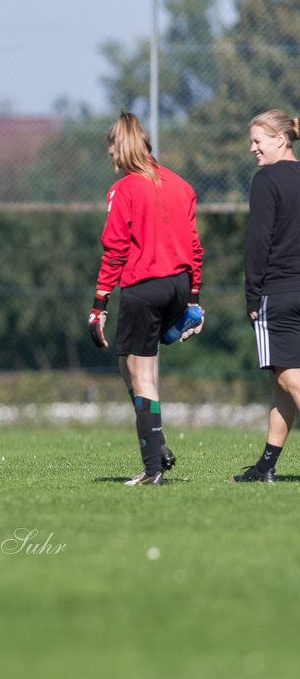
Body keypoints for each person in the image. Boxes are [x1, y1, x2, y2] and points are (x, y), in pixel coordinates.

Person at [87, 112, 202, 487]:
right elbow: (195, 247)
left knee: (143, 377)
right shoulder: (181, 185)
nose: (112, 160)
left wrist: (98, 307)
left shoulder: (124, 189)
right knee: (129, 363)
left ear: (121, 149)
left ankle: (153, 469)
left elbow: (115, 250)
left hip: (144, 288)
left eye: (111, 152)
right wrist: (194, 299)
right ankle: (158, 442)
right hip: (178, 286)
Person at [235, 110, 300, 483]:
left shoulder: (266, 180)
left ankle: (265, 467)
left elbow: (259, 241)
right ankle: (265, 466)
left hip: (279, 293)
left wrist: (251, 295)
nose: (252, 148)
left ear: (281, 139)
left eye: (258, 140)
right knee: (283, 382)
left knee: (290, 377)